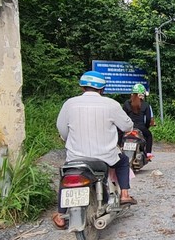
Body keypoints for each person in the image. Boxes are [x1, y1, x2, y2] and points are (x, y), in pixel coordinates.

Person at [52, 71, 136, 229]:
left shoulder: (70, 104)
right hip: (106, 156)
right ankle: (124, 194)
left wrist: (67, 139)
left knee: (67, 175)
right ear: (102, 89)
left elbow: (62, 129)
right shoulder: (111, 104)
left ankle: (60, 215)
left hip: (76, 156)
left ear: (82, 87)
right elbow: (126, 126)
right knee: (123, 161)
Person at [122, 83, 155, 159]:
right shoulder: (145, 105)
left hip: (128, 127)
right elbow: (148, 119)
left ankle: (120, 148)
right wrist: (145, 127)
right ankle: (148, 154)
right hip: (141, 127)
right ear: (142, 94)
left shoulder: (127, 103)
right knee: (149, 136)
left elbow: (123, 117)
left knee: (121, 136)